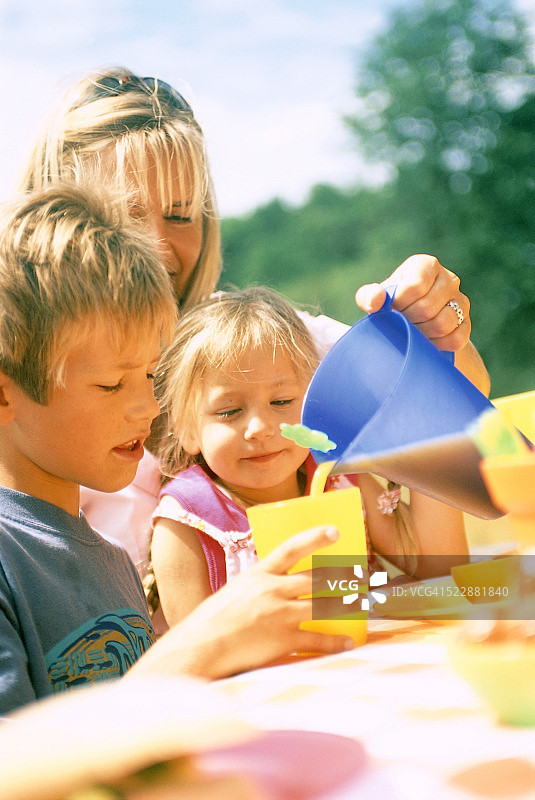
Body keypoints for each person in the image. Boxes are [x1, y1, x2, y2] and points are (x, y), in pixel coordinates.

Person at [20, 66, 490, 581]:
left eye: (181, 215)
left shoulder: (256, 342)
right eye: (126, 217)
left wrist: (437, 332)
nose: (157, 247)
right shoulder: (24, 399)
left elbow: (455, 423)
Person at [0, 184, 353, 715]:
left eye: (149, 374)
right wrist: (200, 647)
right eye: (113, 385)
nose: (147, 406)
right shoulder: (12, 563)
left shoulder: (110, 560)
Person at [149, 287, 468, 627]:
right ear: (187, 430)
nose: (260, 427)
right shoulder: (184, 522)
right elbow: (194, 651)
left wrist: (429, 428)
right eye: (229, 412)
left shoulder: (339, 479)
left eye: (282, 402)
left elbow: (438, 568)